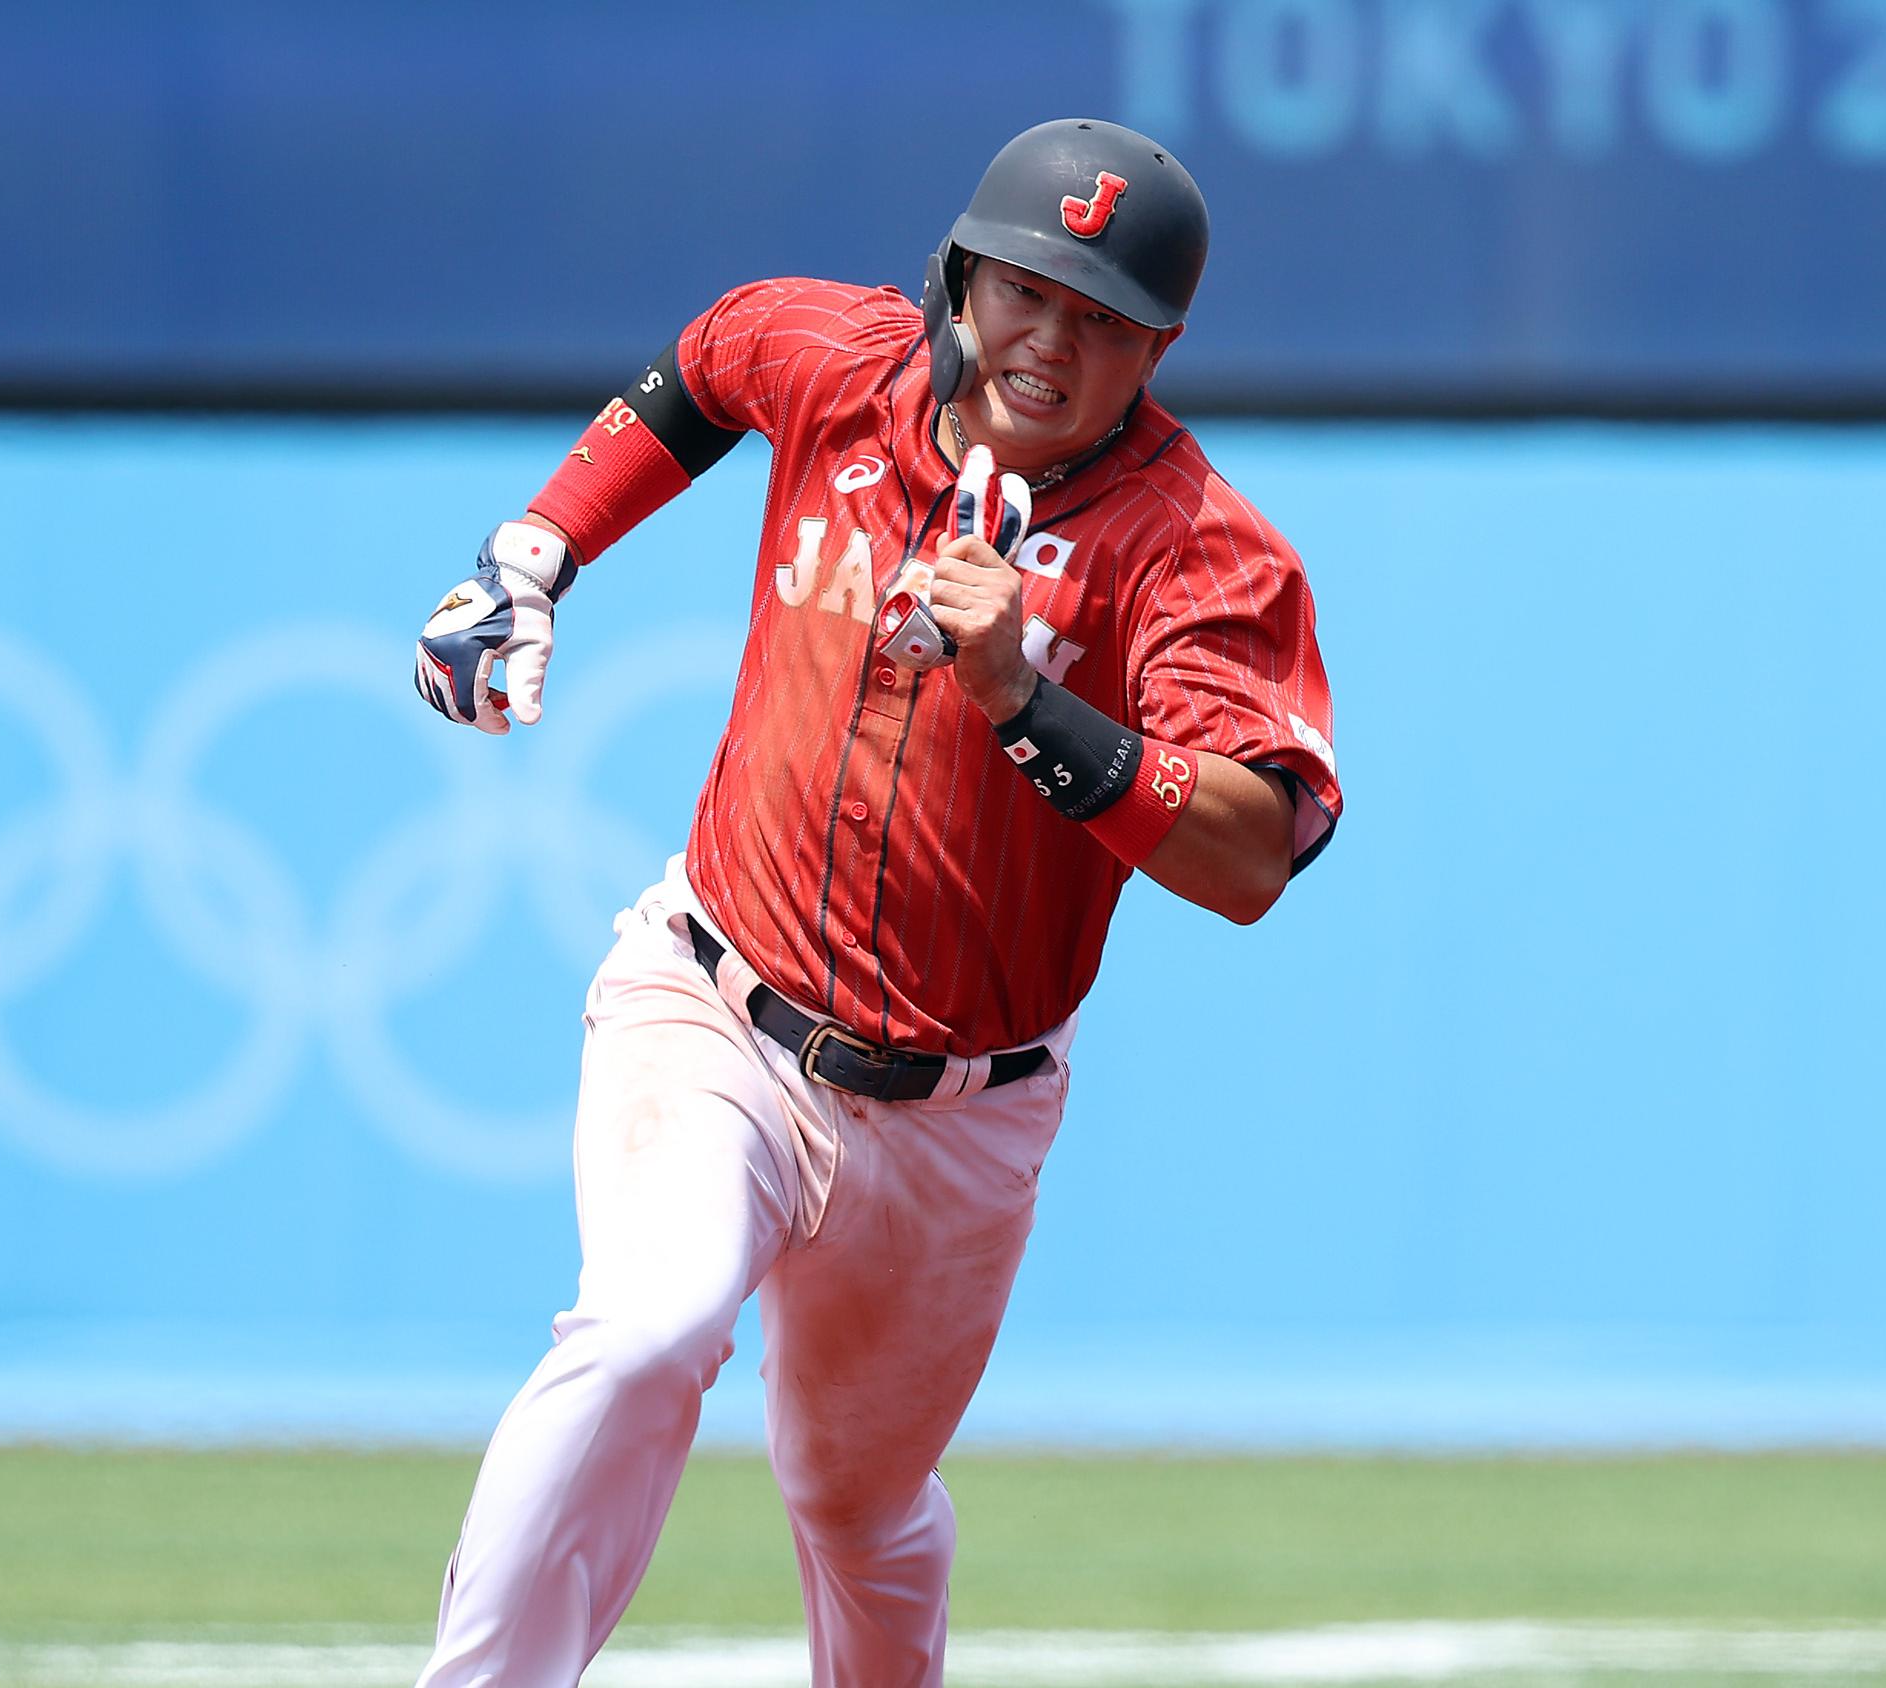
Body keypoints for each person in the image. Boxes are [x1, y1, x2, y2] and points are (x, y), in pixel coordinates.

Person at [405, 116, 1342, 1688]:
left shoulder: (1193, 549)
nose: (1052, 340)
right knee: (644, 1332)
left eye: (1104, 319)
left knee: (857, 1505)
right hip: (713, 1000)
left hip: (959, 1116)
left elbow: (1252, 854)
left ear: (1159, 348)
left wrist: (1024, 699)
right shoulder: (841, 363)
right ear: (962, 276)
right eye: (1027, 289)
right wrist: (536, 548)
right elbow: (712, 361)